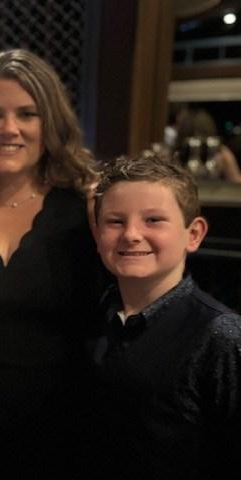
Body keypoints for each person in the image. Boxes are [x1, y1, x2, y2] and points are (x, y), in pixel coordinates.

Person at [0, 48, 105, 478]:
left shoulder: (90, 207)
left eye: (27, 114)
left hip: (63, 434)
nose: (9, 129)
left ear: (50, 124)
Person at [92, 153, 241, 479]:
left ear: (194, 234)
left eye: (153, 220)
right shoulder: (95, 315)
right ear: (96, 234)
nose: (131, 234)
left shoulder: (220, 336)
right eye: (115, 221)